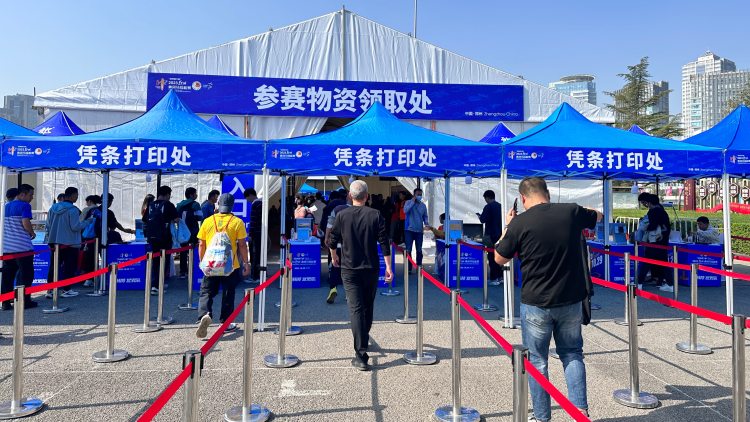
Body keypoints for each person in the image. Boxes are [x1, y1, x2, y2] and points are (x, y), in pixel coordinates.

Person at [494, 177, 601, 421]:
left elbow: (499, 258)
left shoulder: (520, 222)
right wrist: (583, 210)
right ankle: (580, 412)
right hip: (570, 300)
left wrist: (508, 227)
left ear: (522, 199)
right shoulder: (571, 211)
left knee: (537, 361)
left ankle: (542, 417)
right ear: (548, 193)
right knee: (572, 354)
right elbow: (598, 216)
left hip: (536, 302)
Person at [328, 180, 393, 371]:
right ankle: (363, 339)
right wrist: (389, 267)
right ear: (367, 196)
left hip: (349, 268)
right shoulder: (375, 214)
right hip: (371, 267)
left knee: (356, 308)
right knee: (367, 305)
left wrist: (334, 256)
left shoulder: (342, 215)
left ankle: (361, 353)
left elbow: (332, 240)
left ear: (350, 196)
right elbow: (384, 242)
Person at [195, 194, 250, 338]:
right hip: (230, 266)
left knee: (206, 291)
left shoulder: (208, 221)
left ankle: (204, 314)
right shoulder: (237, 222)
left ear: (218, 204)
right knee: (228, 293)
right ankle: (225, 323)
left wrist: (202, 261)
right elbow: (242, 245)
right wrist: (246, 262)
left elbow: (201, 244)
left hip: (210, 264)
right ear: (232, 205)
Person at [45, 187, 93, 297]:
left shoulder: (53, 208)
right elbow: (75, 226)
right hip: (70, 242)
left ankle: (50, 290)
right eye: (76, 195)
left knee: (54, 266)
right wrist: (87, 222)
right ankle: (66, 289)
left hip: (54, 241)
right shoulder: (73, 210)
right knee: (69, 266)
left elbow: (48, 225)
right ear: (72, 195)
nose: (77, 197)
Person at [82, 194, 135, 286]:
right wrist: (125, 230)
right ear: (109, 202)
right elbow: (114, 224)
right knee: (105, 258)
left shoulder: (92, 210)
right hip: (102, 238)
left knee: (90, 259)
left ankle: (89, 279)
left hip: (90, 238)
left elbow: (84, 223)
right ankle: (105, 278)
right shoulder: (108, 212)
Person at [1, 184, 38, 310]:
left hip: (7, 248)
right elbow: (25, 222)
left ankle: (5, 302)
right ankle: (24, 301)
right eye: (31, 195)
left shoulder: (5, 206)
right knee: (25, 275)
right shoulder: (25, 205)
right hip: (23, 247)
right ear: (22, 194)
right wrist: (32, 232)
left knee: (7, 276)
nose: (32, 198)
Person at [143, 186, 180, 295]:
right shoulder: (168, 205)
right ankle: (158, 285)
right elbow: (176, 219)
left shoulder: (151, 205)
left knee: (155, 261)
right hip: (164, 237)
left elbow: (144, 219)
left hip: (152, 237)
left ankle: (155, 284)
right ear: (167, 194)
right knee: (164, 260)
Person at [636, 192, 673, 292]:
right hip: (663, 240)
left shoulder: (653, 211)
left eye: (644, 202)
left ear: (648, 202)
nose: (644, 204)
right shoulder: (662, 210)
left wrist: (644, 225)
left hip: (654, 241)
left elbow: (652, 226)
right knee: (663, 262)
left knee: (647, 261)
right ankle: (667, 283)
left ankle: (639, 283)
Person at [324, 191, 352, 304]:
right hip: (352, 246)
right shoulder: (360, 210)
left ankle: (333, 288)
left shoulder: (337, 209)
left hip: (337, 243)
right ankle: (349, 294)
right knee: (350, 269)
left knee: (335, 265)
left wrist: (326, 237)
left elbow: (329, 225)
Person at [176, 187, 204, 278]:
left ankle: (182, 272)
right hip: (193, 231)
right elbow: (200, 217)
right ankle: (193, 271)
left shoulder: (179, 205)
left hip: (182, 231)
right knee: (193, 251)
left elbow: (176, 216)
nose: (196, 195)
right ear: (191, 195)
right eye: (195, 193)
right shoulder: (195, 204)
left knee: (183, 251)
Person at [477, 189, 503, 283]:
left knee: (491, 257)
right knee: (499, 256)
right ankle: (500, 276)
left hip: (490, 234)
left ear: (487, 197)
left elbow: (483, 220)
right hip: (500, 234)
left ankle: (494, 278)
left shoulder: (488, 207)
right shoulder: (500, 206)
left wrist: (479, 216)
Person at [403, 188, 430, 271]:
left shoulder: (423, 205)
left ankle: (419, 265)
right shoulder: (408, 202)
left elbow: (425, 216)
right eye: (418, 194)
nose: (419, 196)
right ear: (414, 195)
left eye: (420, 195)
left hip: (419, 230)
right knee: (408, 249)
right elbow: (405, 211)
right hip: (409, 230)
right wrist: (412, 202)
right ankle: (409, 268)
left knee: (419, 249)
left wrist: (426, 223)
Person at [244, 188, 263, 283]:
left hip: (255, 234)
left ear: (251, 195)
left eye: (247, 198)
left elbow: (253, 221)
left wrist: (250, 234)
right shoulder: (262, 203)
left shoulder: (255, 204)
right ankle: (259, 275)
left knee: (254, 255)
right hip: (261, 232)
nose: (247, 200)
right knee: (259, 254)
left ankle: (254, 276)